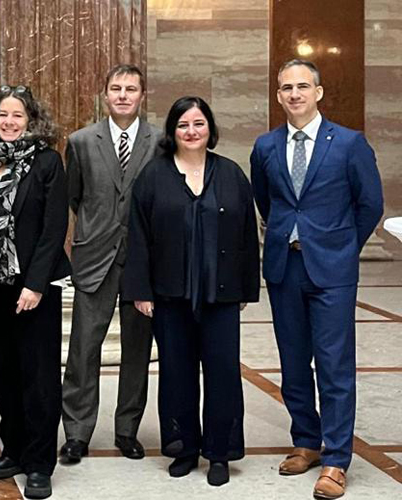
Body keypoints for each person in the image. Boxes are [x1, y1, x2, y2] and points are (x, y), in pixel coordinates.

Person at [250, 59, 383, 500]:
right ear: (278, 95)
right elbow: (267, 202)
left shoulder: (348, 143)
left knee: (334, 365)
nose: (294, 94)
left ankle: (336, 460)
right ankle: (306, 441)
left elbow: (370, 204)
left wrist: (342, 245)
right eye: (286, 87)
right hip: (284, 268)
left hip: (332, 272)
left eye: (302, 86)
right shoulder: (265, 146)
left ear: (319, 92)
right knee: (292, 363)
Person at [122, 96, 259, 487]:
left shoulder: (231, 173)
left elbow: (247, 235)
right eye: (183, 124)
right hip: (170, 295)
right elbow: (138, 237)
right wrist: (141, 291)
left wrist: (246, 288)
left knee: (223, 373)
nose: (191, 131)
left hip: (221, 295)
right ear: (172, 131)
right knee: (176, 373)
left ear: (209, 128)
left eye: (198, 123)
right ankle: (183, 448)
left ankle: (219, 452)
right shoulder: (153, 176)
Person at [0, 86, 70, 500]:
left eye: (17, 116)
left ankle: (40, 464)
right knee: (0, 373)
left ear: (31, 122)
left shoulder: (46, 162)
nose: (9, 122)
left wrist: (35, 284)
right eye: (3, 115)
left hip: (32, 289)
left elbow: (53, 228)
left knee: (38, 378)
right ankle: (14, 449)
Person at [60, 64, 161, 464]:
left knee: (137, 349)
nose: (122, 95)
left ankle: (127, 430)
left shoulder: (160, 141)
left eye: (130, 89)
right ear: (105, 95)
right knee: (83, 349)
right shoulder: (81, 141)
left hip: (141, 260)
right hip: (94, 257)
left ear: (142, 96)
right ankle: (76, 433)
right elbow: (74, 196)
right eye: (116, 88)